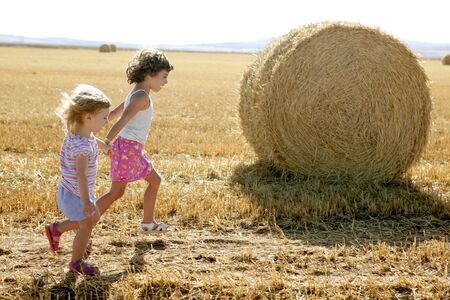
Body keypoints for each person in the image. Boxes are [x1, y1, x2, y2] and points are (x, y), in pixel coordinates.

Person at [96, 49, 173, 233]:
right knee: (116, 192)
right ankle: (84, 222)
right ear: (149, 75)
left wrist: (105, 119)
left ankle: (148, 223)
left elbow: (115, 113)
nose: (165, 82)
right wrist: (106, 141)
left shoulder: (137, 92)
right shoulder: (140, 97)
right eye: (163, 76)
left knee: (155, 180)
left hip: (133, 148)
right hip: (127, 148)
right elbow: (122, 119)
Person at [45, 84, 111, 275]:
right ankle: (76, 263)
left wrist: (103, 146)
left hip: (72, 190)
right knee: (86, 224)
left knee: (93, 217)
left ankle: (56, 229)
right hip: (75, 194)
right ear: (88, 117)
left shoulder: (79, 134)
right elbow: (81, 174)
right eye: (104, 118)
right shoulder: (81, 148)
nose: (106, 122)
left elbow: (91, 140)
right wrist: (86, 200)